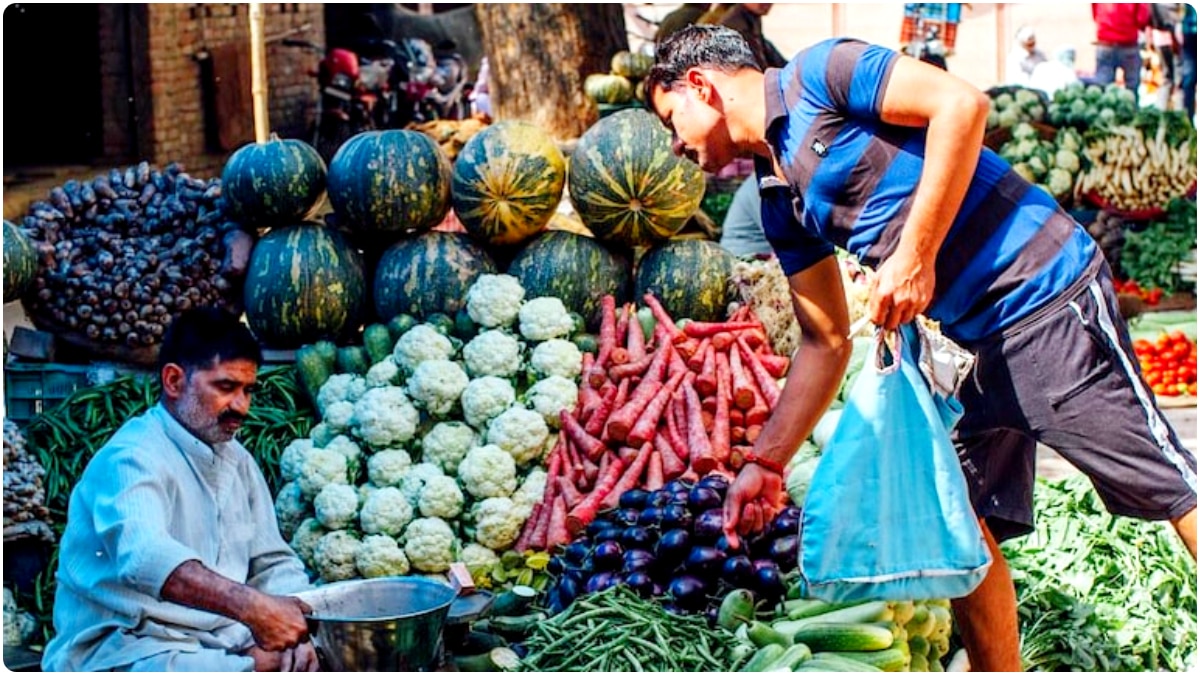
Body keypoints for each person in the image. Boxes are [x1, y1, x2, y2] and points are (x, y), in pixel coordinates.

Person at [645, 25, 1197, 672]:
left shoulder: (822, 73)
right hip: (967, 343)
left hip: (1042, 294)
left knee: (1170, 488)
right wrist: (765, 464)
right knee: (960, 520)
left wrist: (915, 255)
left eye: (670, 118)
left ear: (702, 87)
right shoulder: (775, 198)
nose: (676, 145)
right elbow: (824, 340)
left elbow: (962, 105)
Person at [42, 308, 317, 672]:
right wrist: (254, 609)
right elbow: (146, 557)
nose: (242, 407)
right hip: (129, 646)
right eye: (225, 387)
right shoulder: (131, 458)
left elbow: (272, 562)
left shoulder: (238, 459)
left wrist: (298, 627)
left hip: (221, 639)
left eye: (248, 390)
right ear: (173, 381)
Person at [1092, 3, 1151, 95]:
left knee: (1103, 87)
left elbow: (1095, 13)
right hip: (1128, 44)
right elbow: (1142, 19)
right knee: (1131, 89)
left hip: (1105, 42)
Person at [1179, 2, 1197, 120]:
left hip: (1189, 32)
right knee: (1189, 80)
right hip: (1190, 34)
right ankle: (1188, 119)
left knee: (1189, 79)